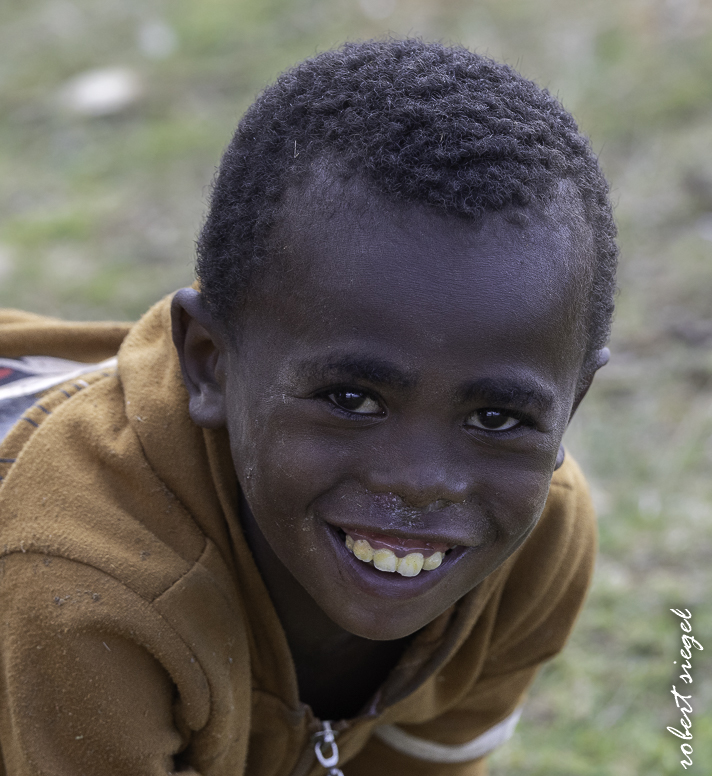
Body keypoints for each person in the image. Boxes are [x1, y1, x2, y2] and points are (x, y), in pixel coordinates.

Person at [0, 39, 616, 776]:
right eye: (352, 399)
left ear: (572, 404)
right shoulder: (88, 586)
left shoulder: (537, 546)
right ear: (209, 362)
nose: (420, 481)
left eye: (495, 418)